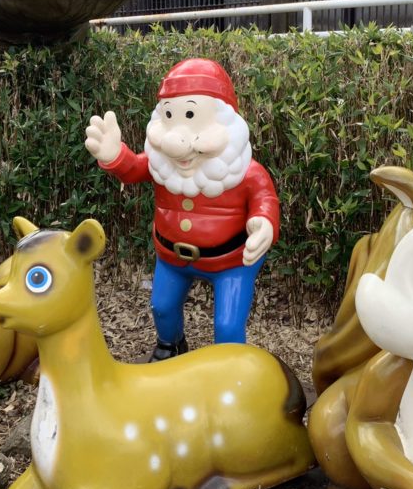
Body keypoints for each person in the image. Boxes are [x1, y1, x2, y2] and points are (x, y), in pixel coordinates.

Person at [85, 58, 280, 361]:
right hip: (172, 256)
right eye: (170, 116)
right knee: (162, 306)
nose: (176, 142)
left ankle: (229, 368)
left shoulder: (245, 171)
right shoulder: (163, 165)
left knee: (228, 326)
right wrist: (115, 156)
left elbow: (264, 199)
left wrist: (263, 223)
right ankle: (170, 345)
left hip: (230, 261)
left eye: (190, 114)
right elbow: (135, 168)